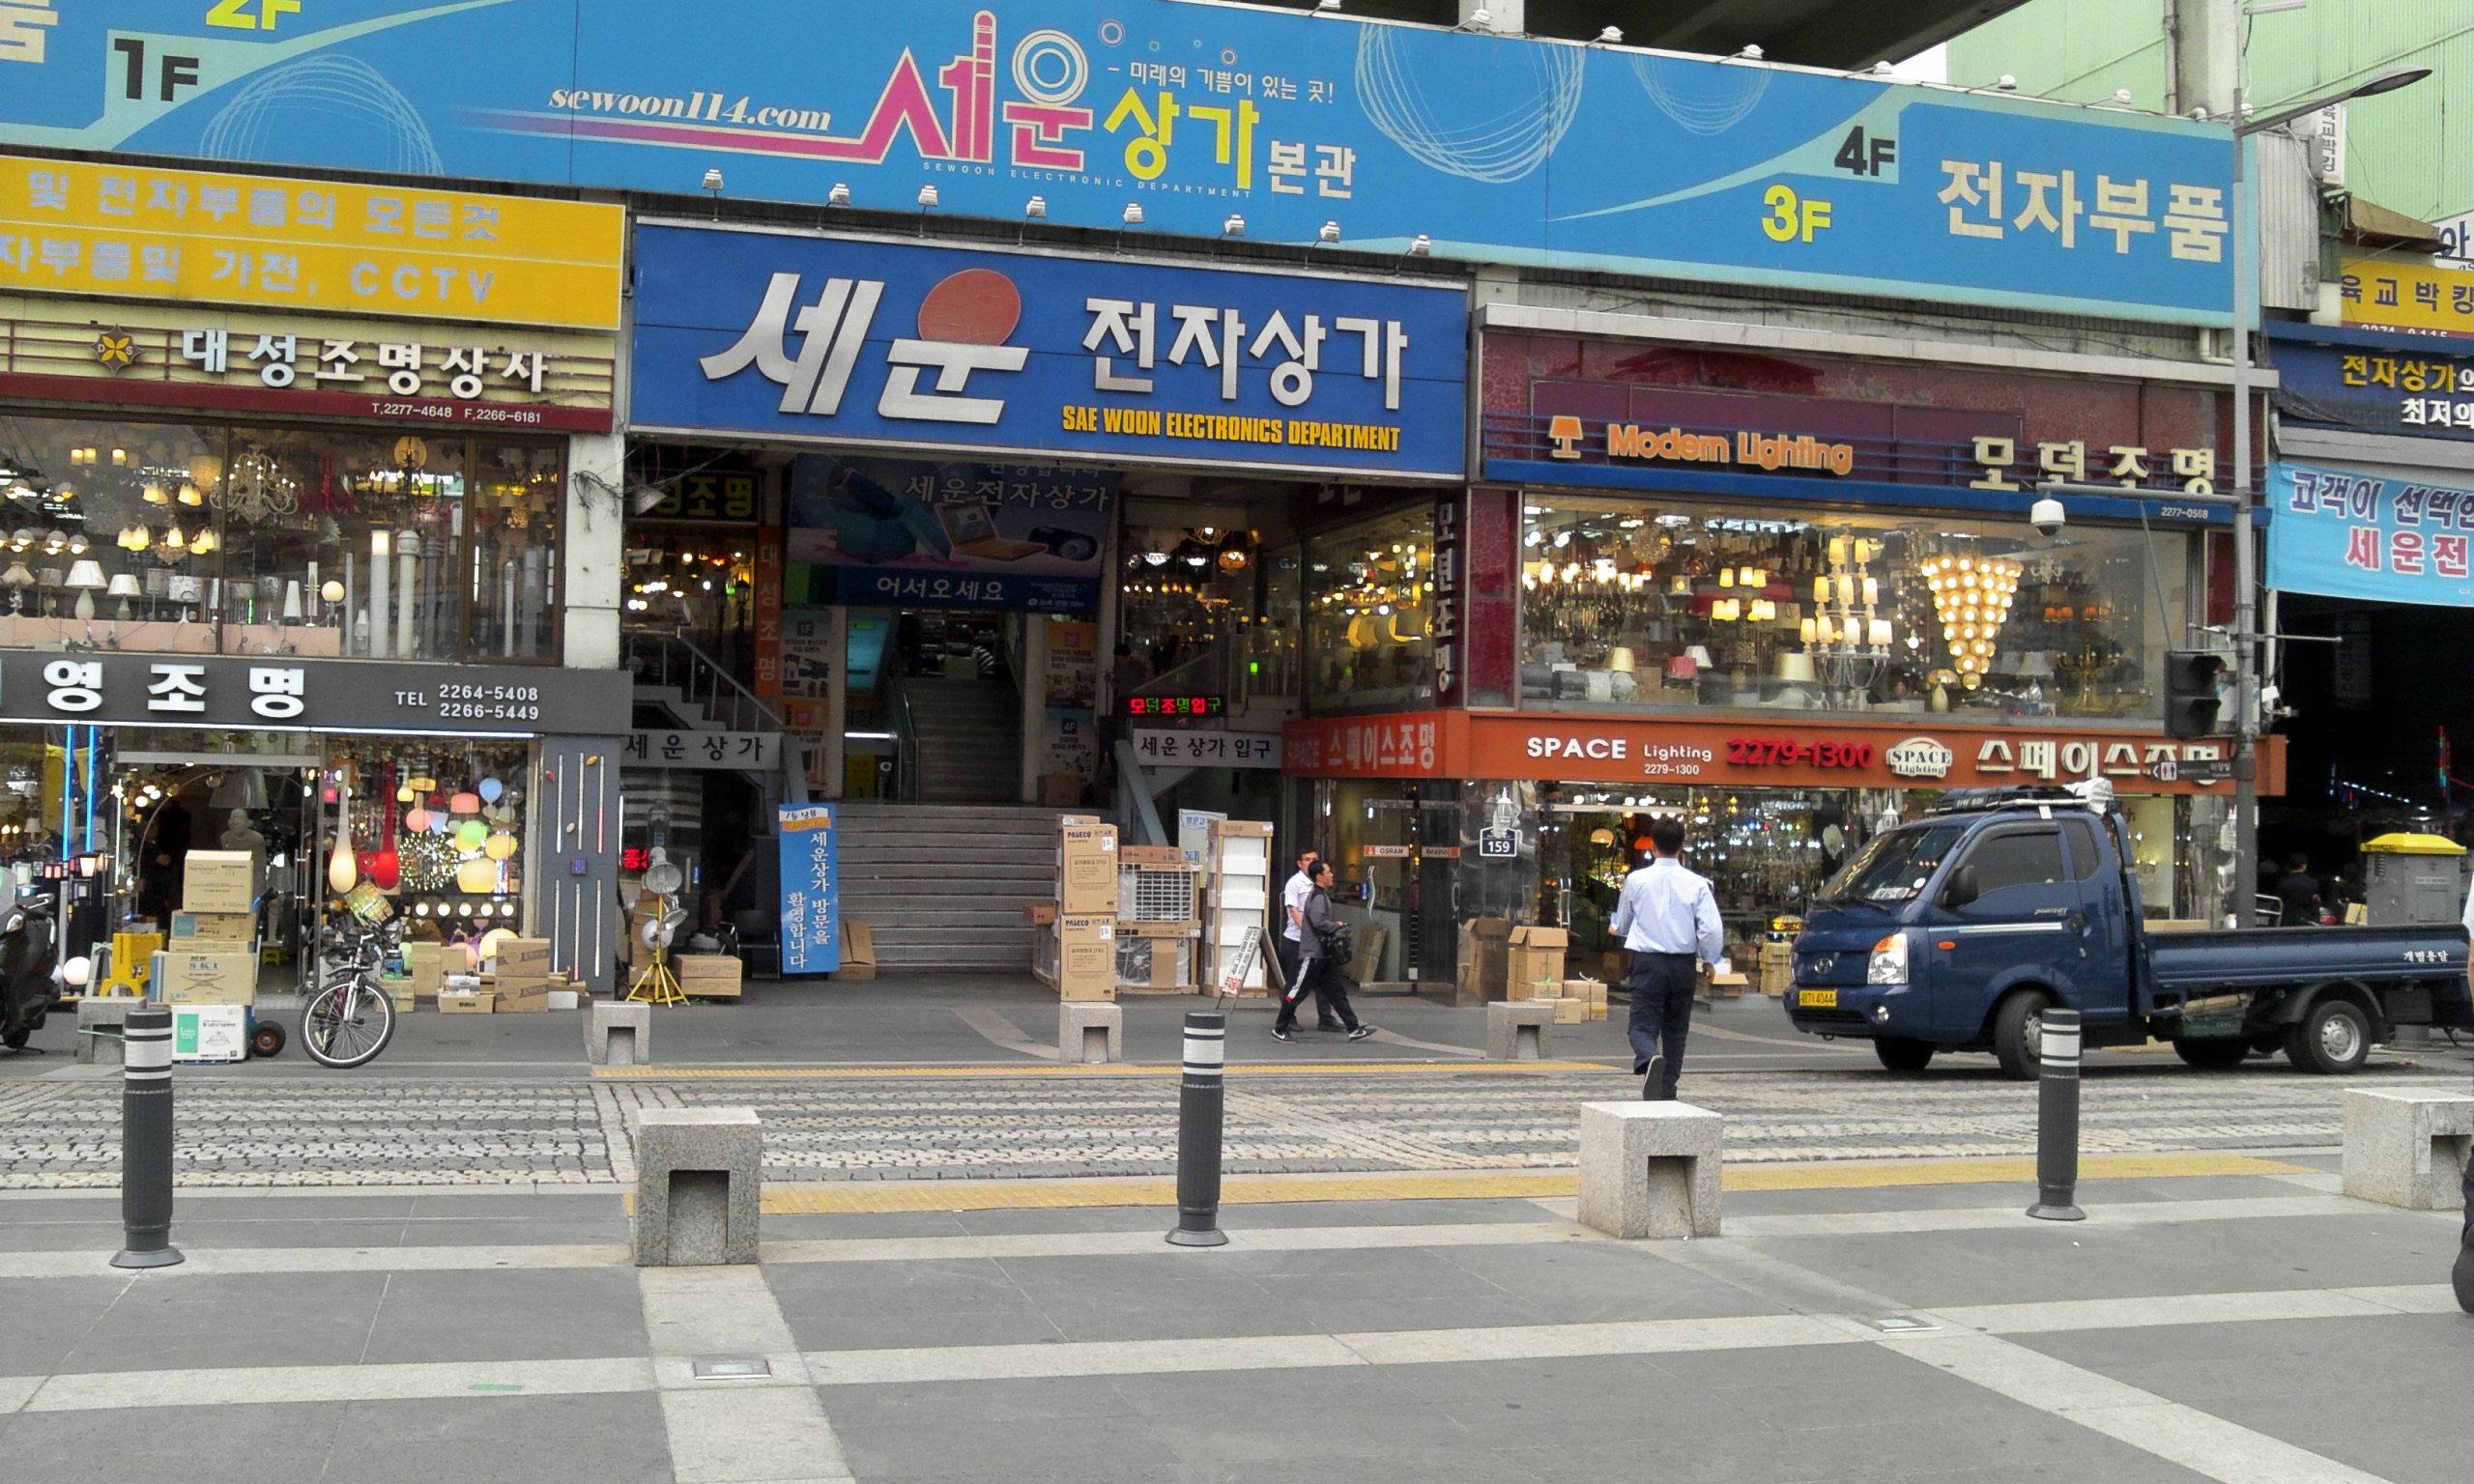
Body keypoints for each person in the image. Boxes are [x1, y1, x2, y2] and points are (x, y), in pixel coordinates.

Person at [1609, 814, 1724, 1100]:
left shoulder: (1636, 880)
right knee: (1676, 1029)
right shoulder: (1697, 884)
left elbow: (1622, 924)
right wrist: (1709, 959)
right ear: (1682, 845)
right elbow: (1711, 928)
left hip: (1647, 963)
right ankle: (1668, 1087)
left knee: (1641, 1025)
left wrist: (1618, 928)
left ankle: (1649, 1058)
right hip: (1683, 964)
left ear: (1653, 845)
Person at [1274, 861, 1374, 1043]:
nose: (1332, 875)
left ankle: (1354, 1028)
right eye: (1328, 872)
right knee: (1296, 992)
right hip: (1313, 954)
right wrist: (1337, 926)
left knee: (1336, 992)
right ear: (1319, 877)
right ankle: (1279, 1029)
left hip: (1321, 955)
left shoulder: (1319, 894)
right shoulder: (1318, 897)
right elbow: (1319, 922)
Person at [1278, 847, 1344, 1031]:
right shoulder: (1295, 883)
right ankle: (1287, 1018)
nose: (1311, 862)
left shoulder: (1319, 885)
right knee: (1295, 981)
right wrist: (1308, 931)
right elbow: (1293, 910)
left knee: (1324, 981)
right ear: (1299, 863)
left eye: (1314, 859)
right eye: (1307, 859)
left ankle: (1326, 1018)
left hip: (1317, 941)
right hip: (1296, 939)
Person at [2273, 854, 2322, 928]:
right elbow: (2315, 904)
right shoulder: (2312, 883)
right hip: (2306, 922)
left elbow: (2277, 904)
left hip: (2286, 922)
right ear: (2304, 866)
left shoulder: (2283, 883)